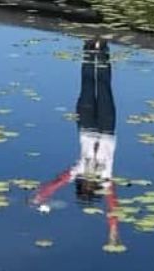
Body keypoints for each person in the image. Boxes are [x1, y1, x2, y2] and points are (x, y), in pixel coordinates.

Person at [30, 38, 120, 250]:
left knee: (88, 84)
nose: (88, 184)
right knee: (104, 86)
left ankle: (89, 48)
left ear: (81, 184)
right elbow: (112, 206)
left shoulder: (76, 170)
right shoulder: (105, 179)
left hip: (86, 123)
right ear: (94, 187)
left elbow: (56, 181)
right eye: (90, 187)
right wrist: (112, 230)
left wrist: (39, 195)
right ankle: (103, 48)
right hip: (107, 127)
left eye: (85, 187)